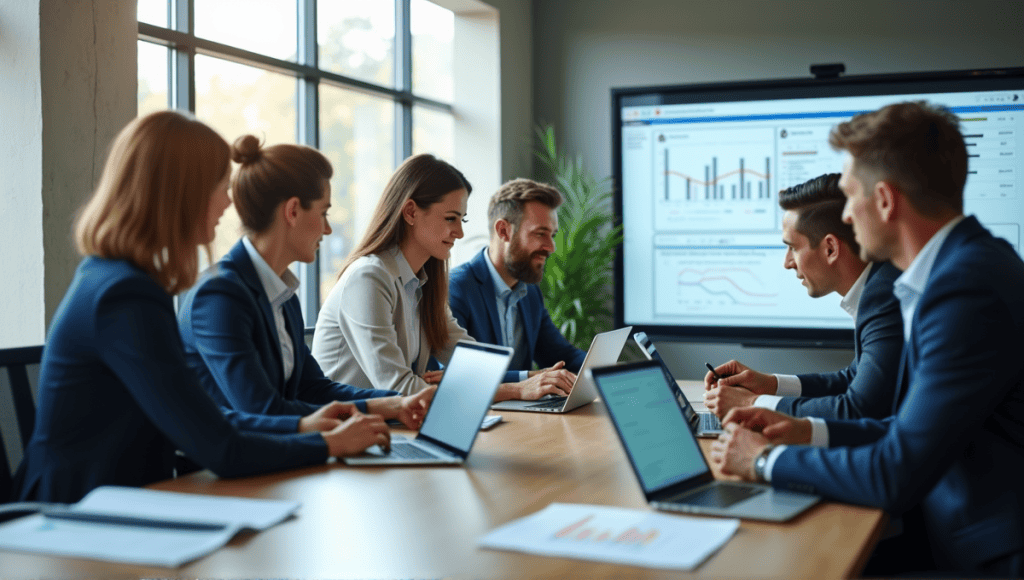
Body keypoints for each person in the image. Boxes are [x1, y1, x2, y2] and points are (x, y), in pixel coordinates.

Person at [710, 101, 1024, 576]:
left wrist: (765, 461)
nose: (848, 218)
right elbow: (907, 427)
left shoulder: (964, 289)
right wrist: (804, 431)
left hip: (986, 554)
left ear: (884, 200)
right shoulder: (965, 267)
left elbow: (895, 471)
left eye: (851, 195)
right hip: (955, 529)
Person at [16, 112, 391, 504]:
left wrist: (301, 427)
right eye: (220, 186)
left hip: (116, 500)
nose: (229, 202)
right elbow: (220, 448)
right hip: (77, 517)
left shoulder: (116, 279)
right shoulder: (125, 296)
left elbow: (203, 419)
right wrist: (327, 445)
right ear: (183, 192)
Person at [177, 135, 434, 432]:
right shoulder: (219, 295)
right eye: (323, 213)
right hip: (224, 474)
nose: (327, 229)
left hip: (282, 460)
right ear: (293, 211)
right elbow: (263, 411)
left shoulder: (282, 295)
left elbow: (315, 389)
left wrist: (395, 403)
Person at [704, 174, 903, 421]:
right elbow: (854, 378)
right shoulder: (880, 285)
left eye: (793, 247)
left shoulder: (884, 298)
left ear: (830, 249)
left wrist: (754, 403)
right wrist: (770, 384)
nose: (787, 262)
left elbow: (858, 409)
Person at [448, 178, 582, 396]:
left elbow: (560, 355)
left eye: (552, 234)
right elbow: (457, 374)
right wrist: (527, 379)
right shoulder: (456, 289)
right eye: (540, 233)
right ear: (503, 231)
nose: (551, 247)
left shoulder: (529, 292)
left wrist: (606, 370)